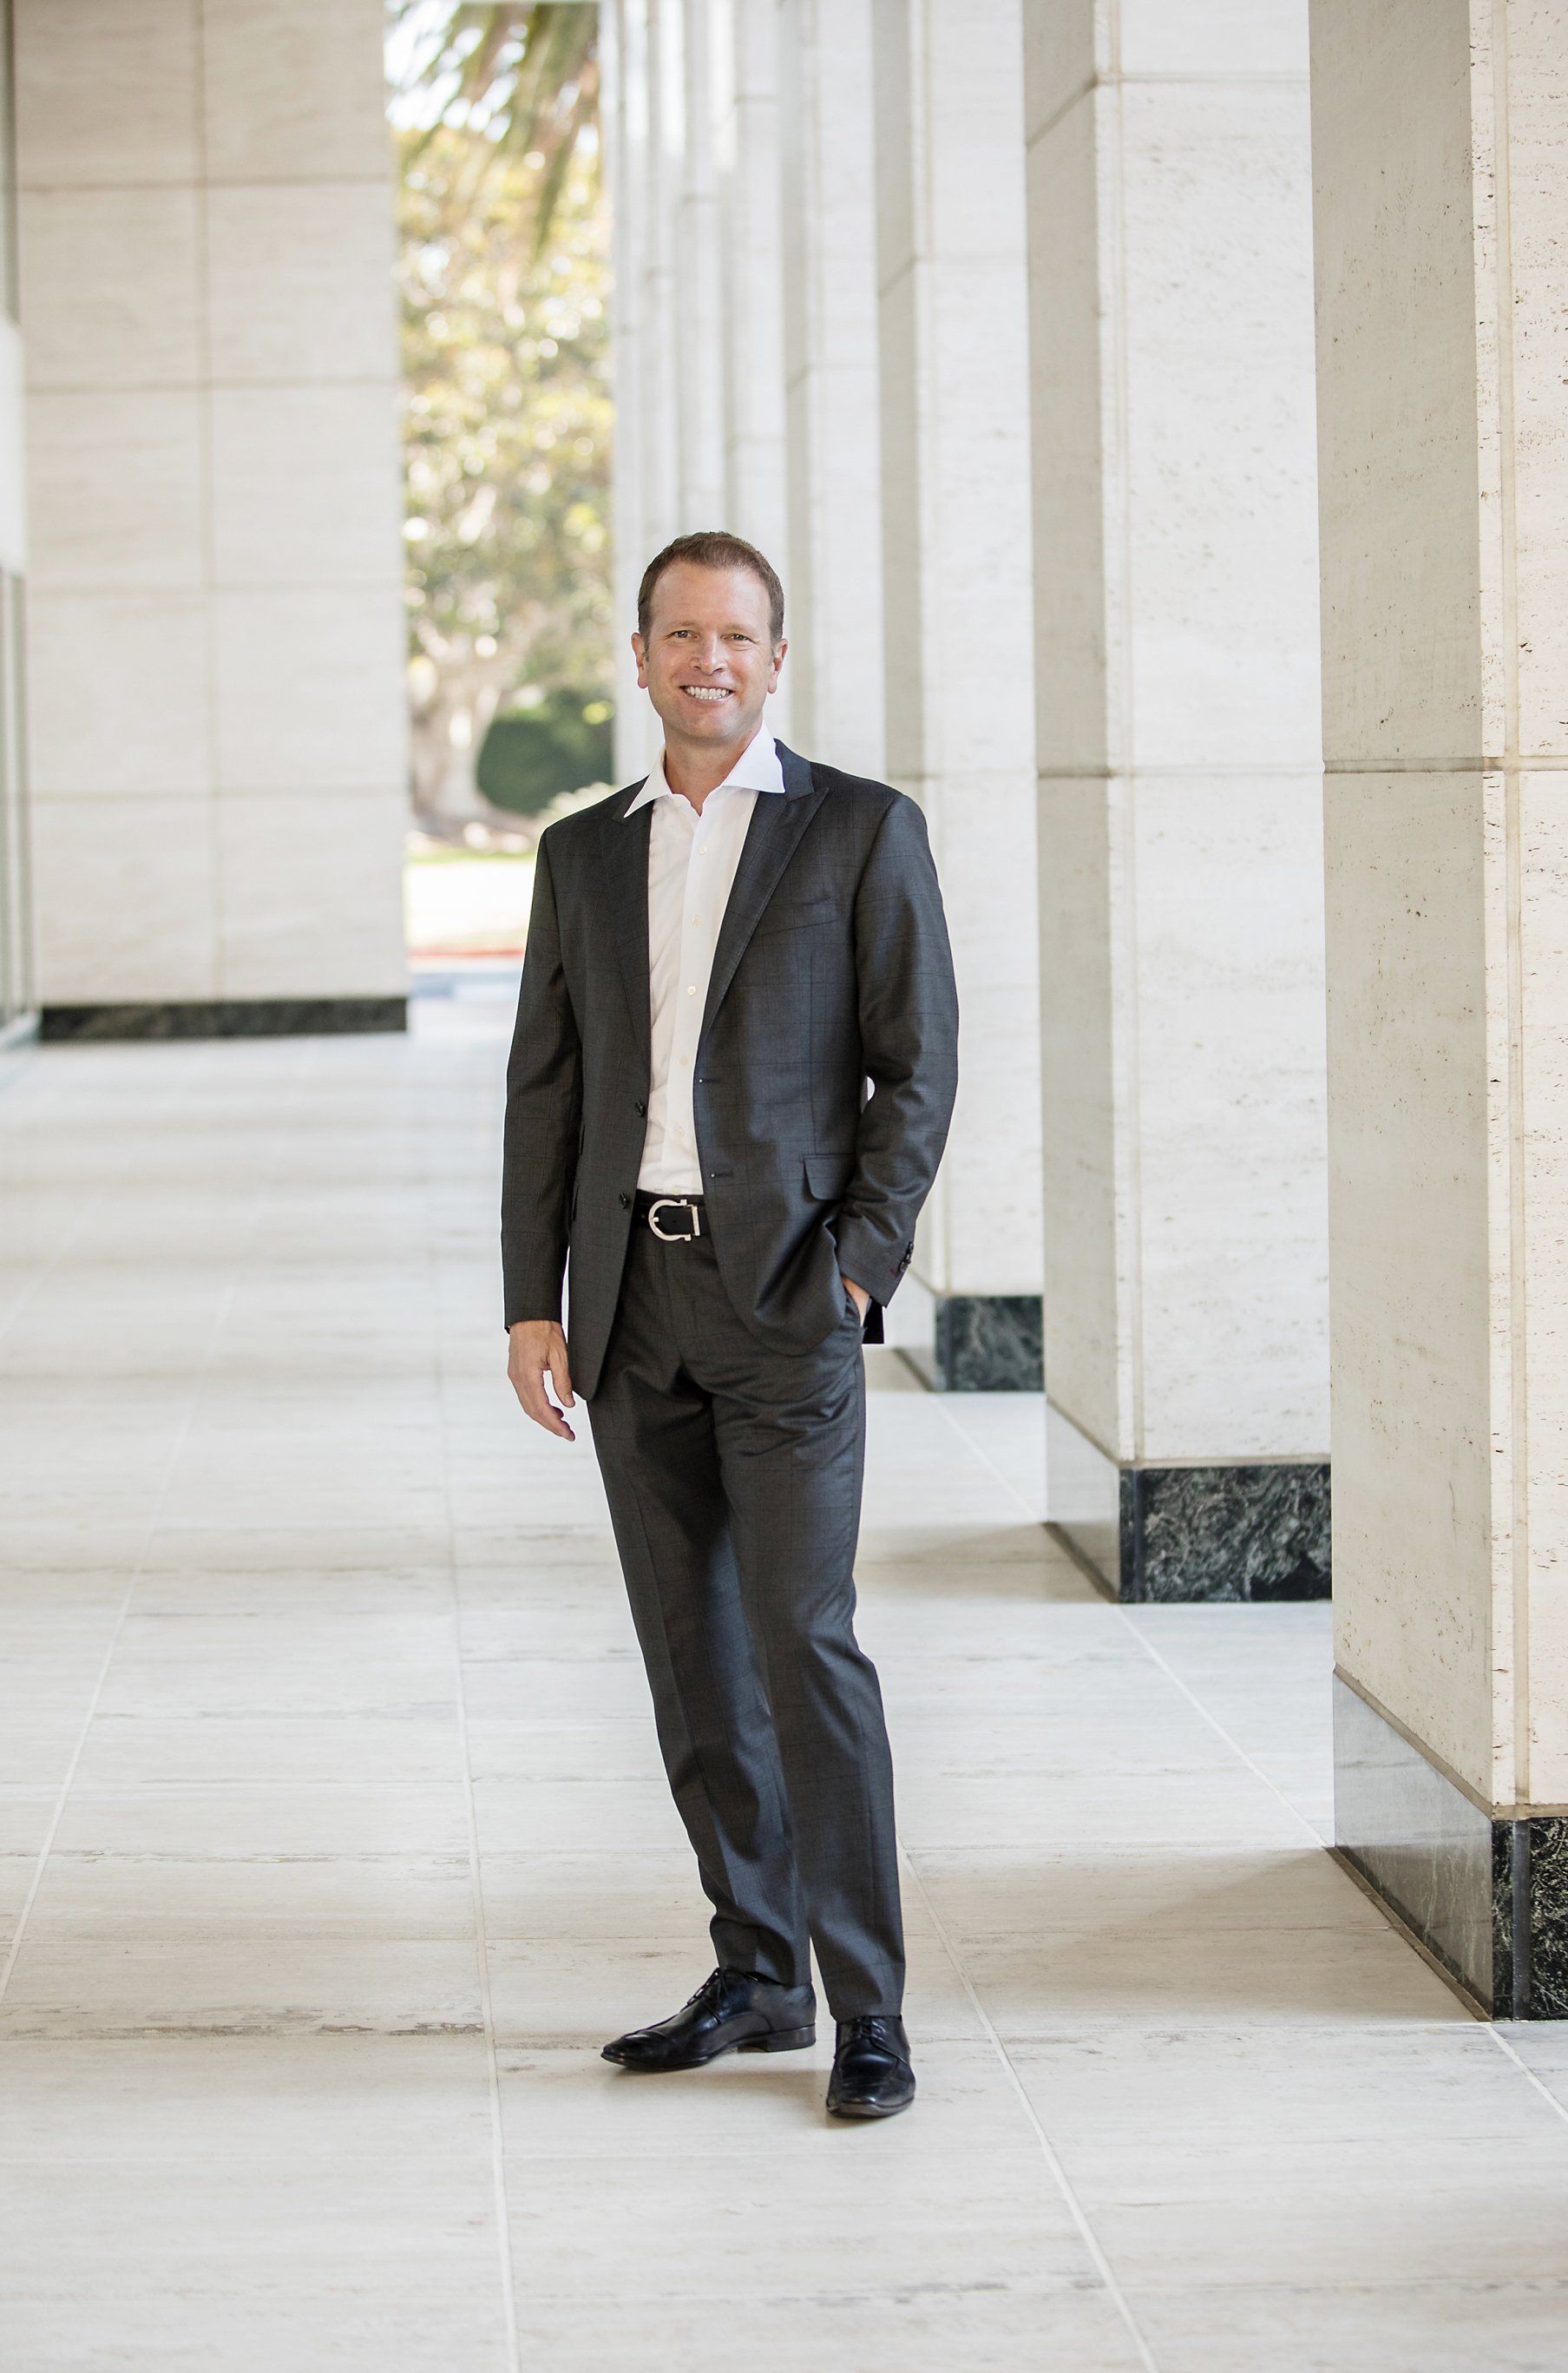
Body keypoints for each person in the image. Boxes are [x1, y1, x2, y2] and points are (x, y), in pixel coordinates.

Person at [502, 530, 957, 2120]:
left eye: (738, 636)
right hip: (631, 1305)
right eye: (681, 634)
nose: (710, 660)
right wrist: (533, 1297)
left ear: (776, 658)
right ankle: (757, 1970)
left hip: (786, 1303)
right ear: (639, 657)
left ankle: (868, 2006)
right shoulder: (580, 853)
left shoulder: (860, 830)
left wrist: (858, 1267)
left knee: (803, 1643)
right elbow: (547, 1088)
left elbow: (918, 1067)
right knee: (693, 1658)